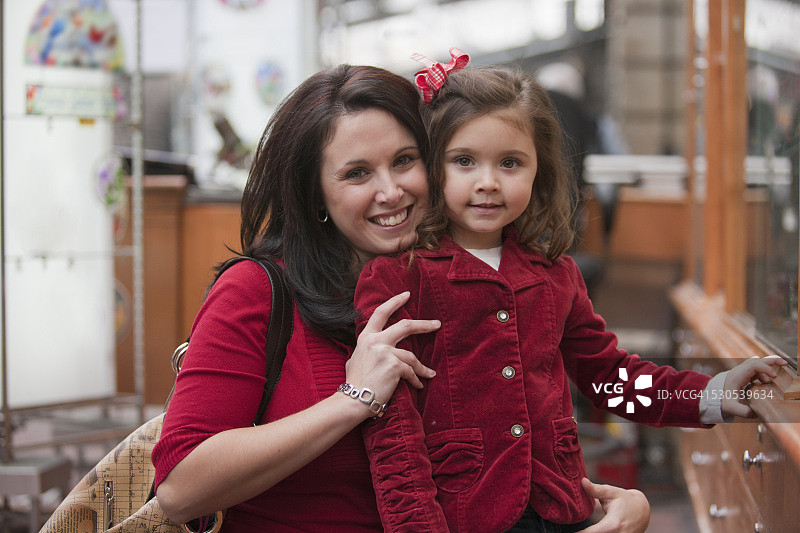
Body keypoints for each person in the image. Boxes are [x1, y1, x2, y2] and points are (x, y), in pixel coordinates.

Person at [152, 64, 649, 532]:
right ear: (314, 193)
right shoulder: (257, 290)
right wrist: (352, 400)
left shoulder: (459, 284)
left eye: (405, 161)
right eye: (356, 174)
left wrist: (610, 506)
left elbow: (528, 434)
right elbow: (179, 490)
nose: (391, 192)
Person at [354, 60, 787, 533]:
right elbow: (392, 431)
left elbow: (609, 377)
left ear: (540, 169)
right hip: (459, 516)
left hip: (561, 508)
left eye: (510, 162)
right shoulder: (397, 278)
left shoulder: (557, 274)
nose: (488, 182)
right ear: (431, 165)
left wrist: (713, 393)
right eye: (464, 160)